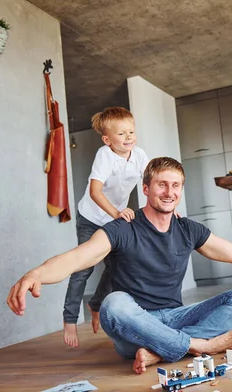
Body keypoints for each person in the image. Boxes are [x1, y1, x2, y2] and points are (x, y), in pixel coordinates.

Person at [7, 157, 232, 374]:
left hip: (174, 317)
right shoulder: (123, 228)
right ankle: (199, 344)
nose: (169, 192)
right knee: (113, 304)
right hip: (135, 326)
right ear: (146, 189)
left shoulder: (188, 229)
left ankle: (163, 350)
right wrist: (36, 274)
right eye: (161, 185)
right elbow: (78, 257)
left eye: (175, 186)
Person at [62, 107, 149, 347]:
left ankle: (96, 304)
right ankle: (69, 319)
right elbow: (95, 191)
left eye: (131, 131)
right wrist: (117, 213)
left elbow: (151, 181)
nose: (129, 137)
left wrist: (166, 208)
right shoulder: (105, 155)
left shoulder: (139, 155)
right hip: (91, 217)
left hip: (113, 218)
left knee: (117, 266)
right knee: (83, 268)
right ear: (107, 139)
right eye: (121, 134)